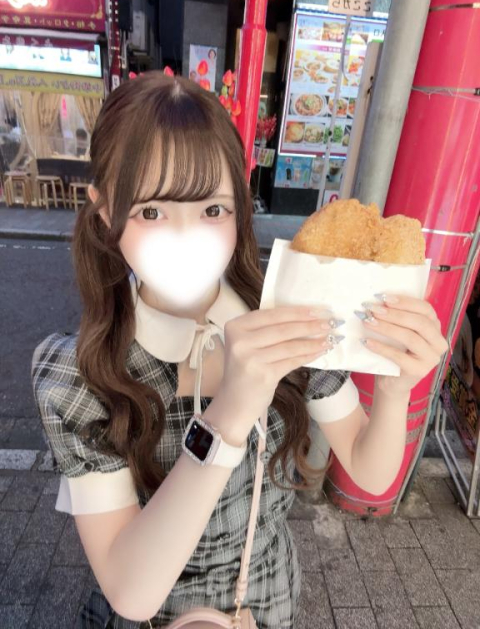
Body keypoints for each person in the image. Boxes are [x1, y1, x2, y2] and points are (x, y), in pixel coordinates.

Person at [31, 71, 448, 629]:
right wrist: (228, 412)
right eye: (151, 212)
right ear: (105, 212)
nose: (187, 238)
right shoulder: (80, 375)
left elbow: (371, 473)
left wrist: (396, 388)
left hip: (268, 607)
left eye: (212, 210)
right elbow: (131, 592)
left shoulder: (290, 315)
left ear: (240, 207)